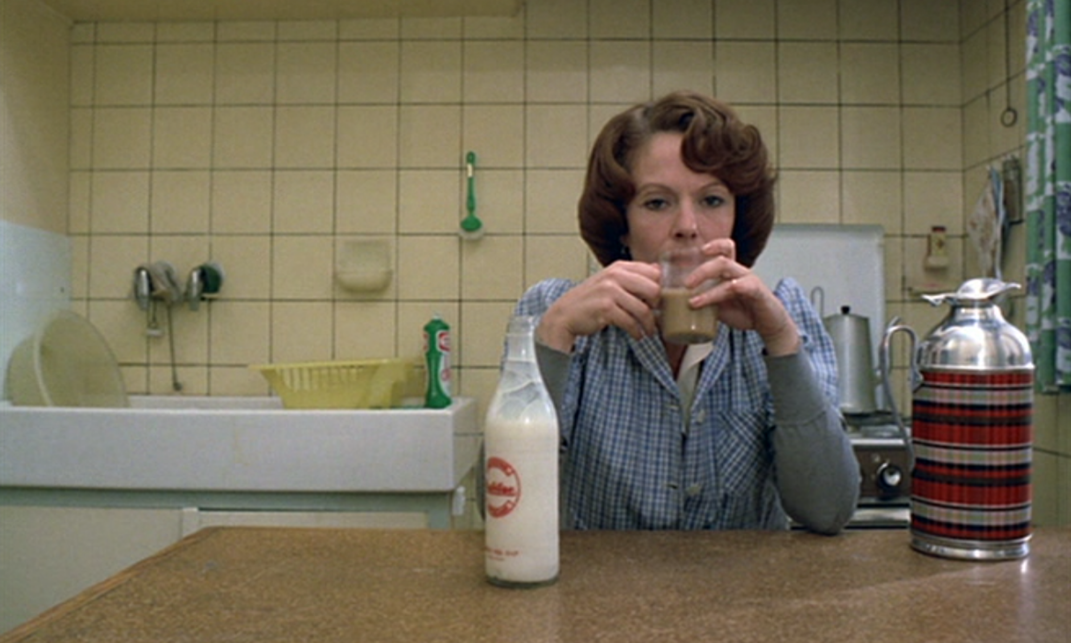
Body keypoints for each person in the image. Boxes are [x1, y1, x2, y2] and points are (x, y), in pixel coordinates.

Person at [514, 91, 859, 534]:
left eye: (712, 200)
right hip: (600, 580)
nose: (688, 227)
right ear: (622, 226)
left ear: (737, 218)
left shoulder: (781, 316)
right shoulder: (555, 313)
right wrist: (555, 337)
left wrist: (780, 343)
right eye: (657, 203)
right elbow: (505, 505)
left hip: (745, 581)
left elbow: (828, 511)